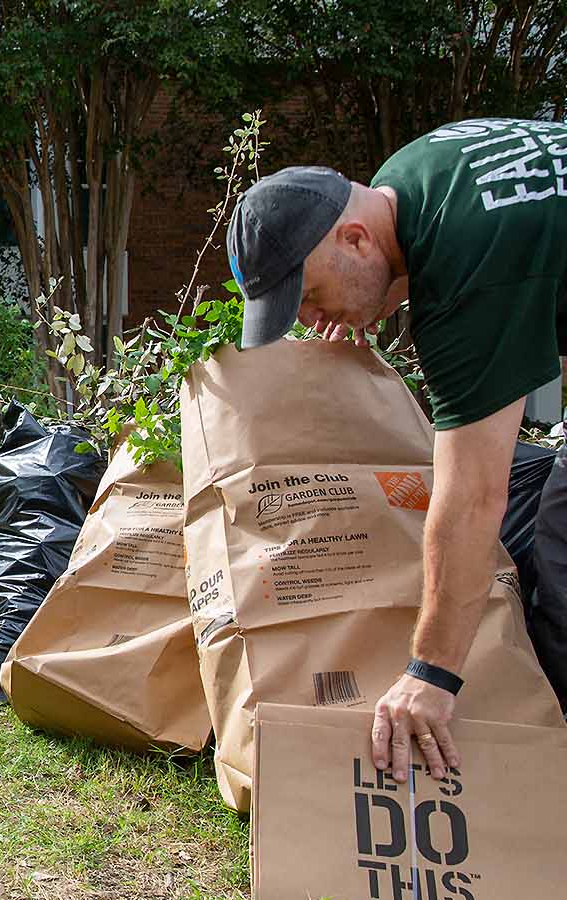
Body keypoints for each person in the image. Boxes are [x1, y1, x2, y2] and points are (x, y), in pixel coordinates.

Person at [226, 118, 567, 785]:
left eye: (314, 297)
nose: (316, 324)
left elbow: (472, 497)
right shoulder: (416, 173)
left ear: (355, 239)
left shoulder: (468, 263)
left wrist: (430, 675)